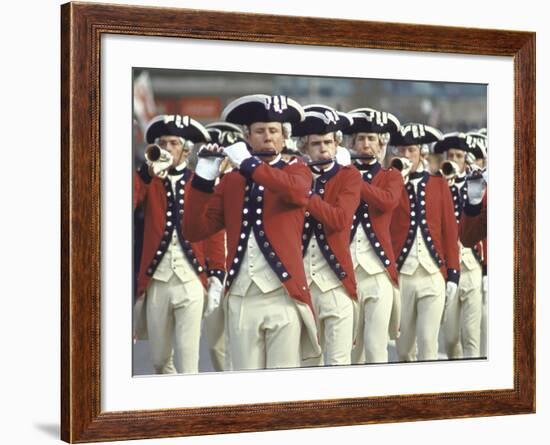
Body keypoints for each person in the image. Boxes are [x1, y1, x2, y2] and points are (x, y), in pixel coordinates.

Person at [183, 94, 321, 370]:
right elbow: (194, 230)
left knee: (283, 384)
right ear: (247, 136)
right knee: (246, 385)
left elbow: (295, 193)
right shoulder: (233, 180)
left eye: (274, 131)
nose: (268, 137)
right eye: (260, 131)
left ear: (285, 138)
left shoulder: (298, 170)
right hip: (242, 296)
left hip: (284, 294)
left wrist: (249, 165)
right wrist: (202, 179)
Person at [133, 114, 225, 374]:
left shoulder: (201, 181)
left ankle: (189, 408)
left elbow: (213, 232)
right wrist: (145, 174)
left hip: (191, 280)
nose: (166, 148)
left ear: (186, 150)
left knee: (188, 360)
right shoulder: (148, 181)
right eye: (162, 142)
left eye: (173, 143)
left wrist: (217, 273)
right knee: (160, 360)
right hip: (157, 281)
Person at [292, 108, 361, 366]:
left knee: (338, 363)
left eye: (328, 142)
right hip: (301, 286)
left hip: (336, 285)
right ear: (304, 148)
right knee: (307, 364)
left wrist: (305, 196)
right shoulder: (294, 177)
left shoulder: (348, 176)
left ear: (336, 144)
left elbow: (339, 219)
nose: (323, 149)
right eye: (316, 144)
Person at [390, 123, 460, 361]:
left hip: (433, 274)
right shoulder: (390, 185)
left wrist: (453, 274)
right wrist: (395, 182)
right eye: (400, 150)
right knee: (403, 350)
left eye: (410, 150)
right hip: (402, 276)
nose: (405, 156)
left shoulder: (439, 184)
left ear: (422, 153)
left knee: (428, 344)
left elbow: (450, 230)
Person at [340, 107, 403, 364]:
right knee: (350, 351)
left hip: (378, 272)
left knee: (377, 349)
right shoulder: (340, 175)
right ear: (352, 143)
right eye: (361, 139)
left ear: (381, 145)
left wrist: (354, 179)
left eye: (371, 139)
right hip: (345, 270)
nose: (366, 144)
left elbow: (387, 202)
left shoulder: (391, 176)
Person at [434, 133, 484, 358]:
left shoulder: (474, 182)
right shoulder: (437, 184)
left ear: (466, 159)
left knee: (471, 335)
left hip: (472, 263)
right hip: (448, 267)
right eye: (450, 155)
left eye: (458, 156)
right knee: (451, 337)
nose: (454, 159)